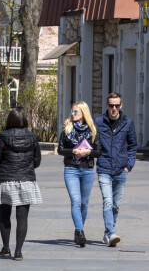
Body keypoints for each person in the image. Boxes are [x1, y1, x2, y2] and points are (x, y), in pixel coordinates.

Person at [0, 107, 42, 261]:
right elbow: (37, 161)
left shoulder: (3, 136)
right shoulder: (32, 137)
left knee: (5, 215)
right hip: (26, 179)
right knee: (22, 217)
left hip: (6, 179)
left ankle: (6, 248)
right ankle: (18, 251)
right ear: (24, 120)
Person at [94, 92, 137, 247]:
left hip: (121, 169)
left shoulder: (128, 122)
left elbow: (132, 145)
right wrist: (70, 120)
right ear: (107, 105)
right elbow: (85, 132)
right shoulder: (98, 121)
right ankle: (111, 233)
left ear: (121, 106)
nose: (114, 108)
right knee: (107, 201)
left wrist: (129, 165)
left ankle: (107, 233)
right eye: (111, 105)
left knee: (116, 204)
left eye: (116, 105)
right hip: (104, 167)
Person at [57, 101, 102, 247]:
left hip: (87, 169)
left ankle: (79, 231)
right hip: (71, 169)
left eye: (75, 112)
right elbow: (60, 149)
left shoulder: (92, 130)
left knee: (84, 204)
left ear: (83, 113)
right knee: (75, 201)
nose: (73, 114)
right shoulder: (67, 129)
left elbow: (99, 151)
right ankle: (80, 231)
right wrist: (73, 151)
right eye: (72, 112)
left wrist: (88, 152)